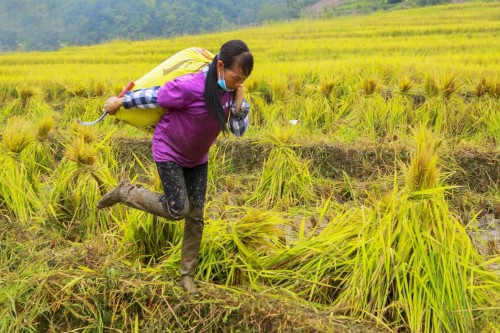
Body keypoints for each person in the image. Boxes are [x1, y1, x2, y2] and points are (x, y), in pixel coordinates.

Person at [96, 40, 253, 294]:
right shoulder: (190, 86)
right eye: (237, 77)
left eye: (243, 79)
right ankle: (126, 192)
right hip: (169, 151)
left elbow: (238, 132)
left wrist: (238, 104)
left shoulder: (231, 92)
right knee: (178, 209)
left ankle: (187, 276)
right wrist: (121, 102)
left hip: (197, 158)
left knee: (196, 216)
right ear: (221, 66)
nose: (238, 83)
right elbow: (155, 96)